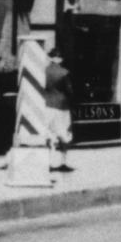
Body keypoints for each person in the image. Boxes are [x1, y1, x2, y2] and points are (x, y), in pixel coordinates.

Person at [40, 44, 75, 172]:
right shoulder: (64, 73)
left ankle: (48, 162)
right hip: (62, 106)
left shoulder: (43, 71)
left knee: (49, 133)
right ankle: (63, 162)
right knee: (64, 134)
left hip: (47, 105)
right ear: (59, 58)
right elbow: (70, 91)